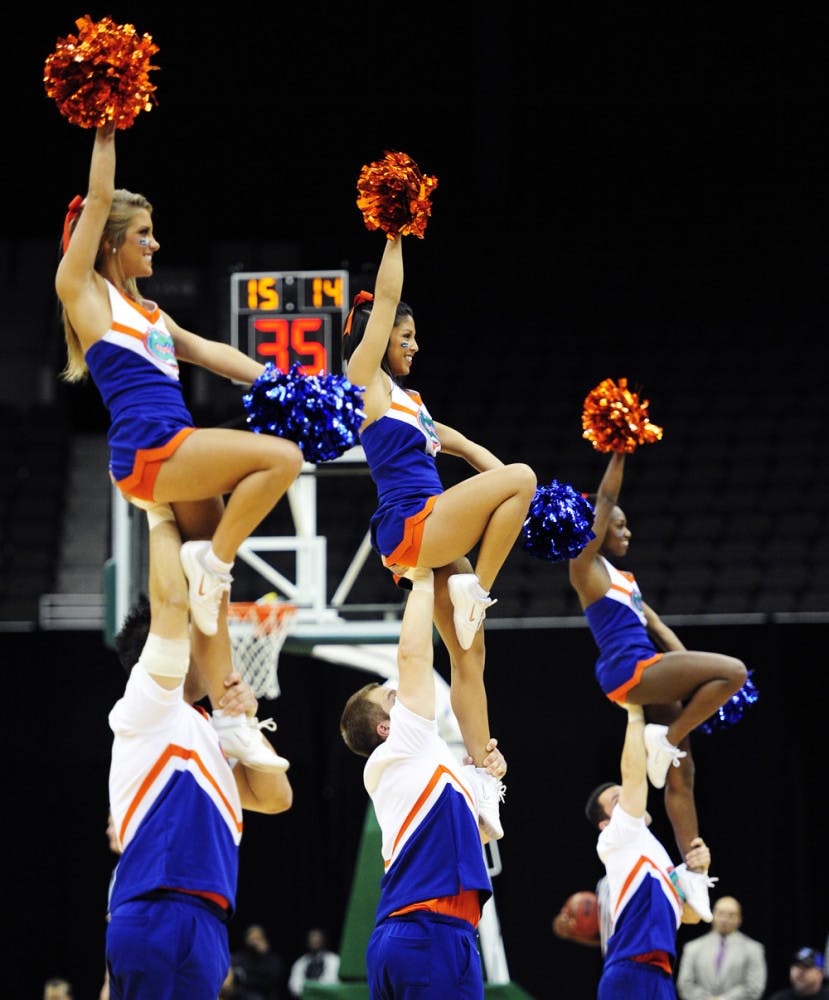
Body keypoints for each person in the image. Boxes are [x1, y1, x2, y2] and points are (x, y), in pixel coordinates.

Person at [55, 123, 304, 755]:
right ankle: (213, 560)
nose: (156, 243)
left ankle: (227, 714)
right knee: (283, 458)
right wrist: (107, 127)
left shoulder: (151, 314)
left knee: (213, 601)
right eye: (144, 234)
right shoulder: (83, 294)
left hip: (177, 446)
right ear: (109, 244)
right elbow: (97, 189)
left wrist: (294, 383)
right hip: (149, 451)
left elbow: (216, 355)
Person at [342, 233, 536, 833]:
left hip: (432, 535)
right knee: (522, 479)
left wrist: (527, 498)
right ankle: (479, 588)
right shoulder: (364, 378)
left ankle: (481, 780)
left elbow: (470, 450)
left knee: (470, 656)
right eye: (406, 336)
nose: (415, 345)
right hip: (412, 525)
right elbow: (390, 296)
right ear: (378, 336)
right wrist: (396, 235)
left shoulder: (414, 402)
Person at [105, 502, 293, 999]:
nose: (203, 643)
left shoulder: (210, 732)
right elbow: (172, 606)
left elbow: (277, 797)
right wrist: (158, 510)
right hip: (155, 909)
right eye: (192, 640)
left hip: (208, 922)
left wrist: (244, 719)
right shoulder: (149, 705)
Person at [569, 449, 748, 917]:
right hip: (629, 671)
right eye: (618, 525)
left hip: (651, 665)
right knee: (734, 671)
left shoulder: (627, 579)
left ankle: (693, 872)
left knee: (682, 773)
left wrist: (689, 672)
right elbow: (605, 496)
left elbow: (660, 630)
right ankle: (664, 738)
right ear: (597, 529)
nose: (626, 531)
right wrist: (619, 449)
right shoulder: (585, 569)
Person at [339, 567, 505, 999]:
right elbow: (413, 658)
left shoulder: (422, 766)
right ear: (384, 727)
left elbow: (475, 838)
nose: (406, 695)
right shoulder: (404, 745)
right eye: (392, 700)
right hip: (429, 933)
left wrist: (486, 780)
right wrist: (422, 578)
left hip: (415, 934)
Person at [584, 702, 714, 998]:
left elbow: (690, 916)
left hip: (662, 976)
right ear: (606, 823)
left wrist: (699, 870)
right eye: (618, 800)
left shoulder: (658, 856)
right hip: (629, 972)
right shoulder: (615, 838)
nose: (629, 797)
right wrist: (635, 713)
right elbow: (633, 776)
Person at [676, 895, 767, 1000]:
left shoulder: (754, 949)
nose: (725, 919)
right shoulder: (692, 948)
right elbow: (685, 985)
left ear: (739, 919)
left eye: (731, 915)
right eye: (720, 913)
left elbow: (754, 987)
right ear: (712, 915)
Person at [231, 923, 288, 1000]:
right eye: (252, 938)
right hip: (241, 996)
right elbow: (237, 981)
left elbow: (274, 980)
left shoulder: (272, 959)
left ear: (264, 940)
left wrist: (265, 956)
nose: (255, 942)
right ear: (246, 939)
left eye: (258, 938)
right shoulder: (237, 958)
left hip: (265, 996)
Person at [287, 928, 341, 997]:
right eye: (312, 939)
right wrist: (308, 991)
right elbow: (294, 985)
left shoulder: (334, 960)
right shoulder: (300, 962)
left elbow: (332, 982)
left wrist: (315, 989)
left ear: (323, 941)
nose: (314, 942)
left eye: (317, 940)